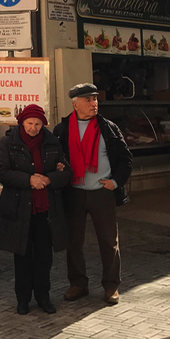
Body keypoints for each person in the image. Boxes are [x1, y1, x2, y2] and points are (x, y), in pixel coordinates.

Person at [54, 83, 133, 306]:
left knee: (109, 241)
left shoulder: (108, 128)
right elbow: (53, 157)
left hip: (101, 193)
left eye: (95, 99)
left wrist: (116, 182)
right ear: (75, 104)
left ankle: (111, 286)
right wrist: (58, 168)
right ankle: (78, 283)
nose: (93, 104)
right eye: (88, 100)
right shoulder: (62, 130)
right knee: (73, 241)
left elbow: (125, 159)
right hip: (74, 193)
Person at [0, 104, 71, 315]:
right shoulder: (9, 142)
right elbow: (2, 172)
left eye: (37, 124)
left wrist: (48, 178)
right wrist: (28, 179)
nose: (34, 128)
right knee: (22, 255)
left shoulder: (52, 142)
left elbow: (65, 171)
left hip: (46, 209)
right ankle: (23, 299)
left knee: (45, 256)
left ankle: (44, 297)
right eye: (30, 124)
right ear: (21, 123)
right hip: (20, 208)